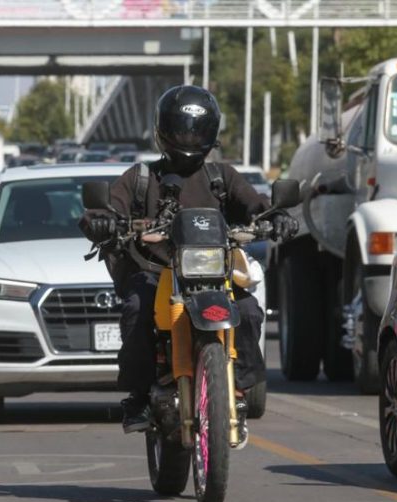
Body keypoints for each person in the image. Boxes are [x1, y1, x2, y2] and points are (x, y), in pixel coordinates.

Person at [79, 85, 298, 434]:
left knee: (249, 310)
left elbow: (256, 205)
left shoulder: (221, 177)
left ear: (211, 134)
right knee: (136, 308)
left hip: (213, 273)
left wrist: (276, 215)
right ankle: (138, 396)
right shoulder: (141, 178)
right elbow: (106, 207)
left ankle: (238, 388)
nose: (189, 137)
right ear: (163, 130)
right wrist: (100, 219)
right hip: (155, 269)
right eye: (181, 129)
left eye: (197, 130)